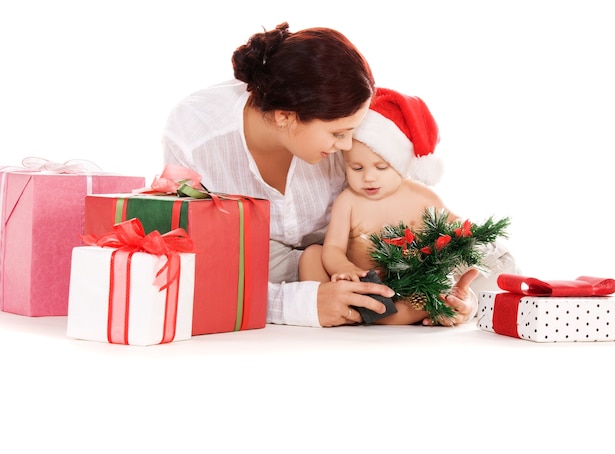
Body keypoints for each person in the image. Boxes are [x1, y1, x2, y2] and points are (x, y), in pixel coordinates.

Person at [162, 22, 487, 327]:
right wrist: (301, 304)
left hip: (356, 252)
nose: (347, 146)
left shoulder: (352, 144)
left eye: (352, 131)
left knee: (484, 271)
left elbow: (418, 222)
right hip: (252, 262)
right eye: (337, 134)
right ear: (285, 117)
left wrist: (447, 291)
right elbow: (191, 271)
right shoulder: (195, 134)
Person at [299, 87, 519, 325]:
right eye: (357, 168)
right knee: (311, 255)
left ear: (401, 164)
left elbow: (453, 226)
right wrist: (345, 268)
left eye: (381, 168)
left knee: (439, 278)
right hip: (359, 286)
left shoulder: (422, 198)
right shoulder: (348, 201)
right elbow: (332, 248)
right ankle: (334, 309)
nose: (369, 177)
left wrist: (467, 235)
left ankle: (443, 307)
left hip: (409, 285)